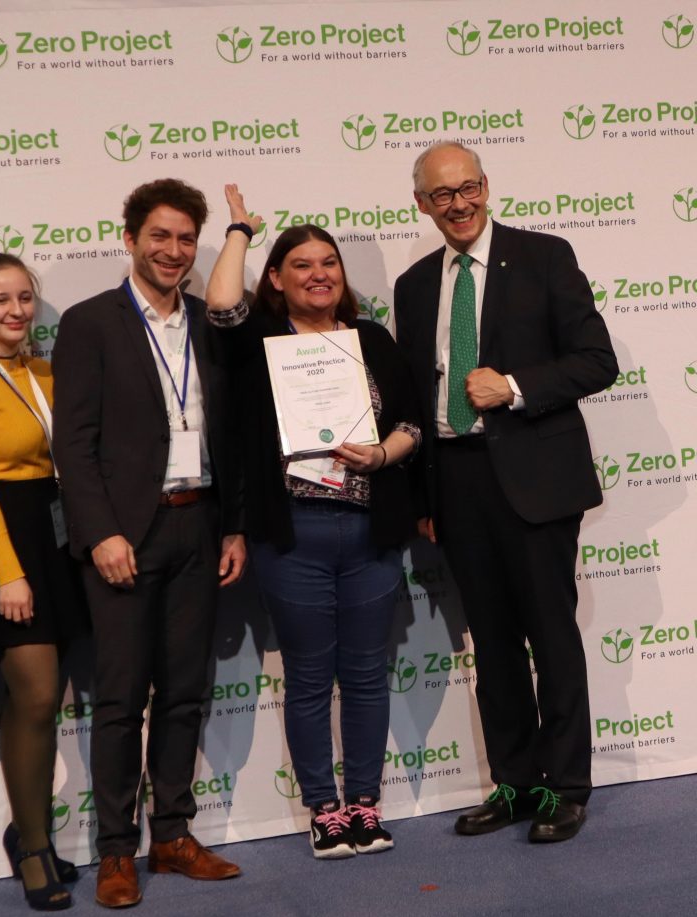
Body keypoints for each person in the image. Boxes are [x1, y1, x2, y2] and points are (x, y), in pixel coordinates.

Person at [393, 141, 618, 843]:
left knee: (551, 638)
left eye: (468, 189)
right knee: (491, 646)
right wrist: (424, 498)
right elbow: (413, 393)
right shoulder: (414, 284)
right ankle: (516, 783)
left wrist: (514, 388)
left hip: (535, 479)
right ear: (421, 204)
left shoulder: (544, 256)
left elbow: (596, 360)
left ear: (486, 188)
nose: (458, 204)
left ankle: (566, 787)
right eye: (442, 195)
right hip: (454, 481)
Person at [205, 185, 420, 858]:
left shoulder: (373, 339)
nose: (319, 273)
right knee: (307, 676)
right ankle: (323, 809)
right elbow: (218, 304)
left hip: (369, 530)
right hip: (291, 533)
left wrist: (383, 452)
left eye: (329, 262)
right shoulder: (259, 341)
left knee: (364, 675)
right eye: (301, 263)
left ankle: (365, 803)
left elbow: (413, 423)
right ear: (275, 278)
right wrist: (238, 228)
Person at [52, 178, 246, 909]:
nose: (173, 251)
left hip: (201, 525)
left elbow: (229, 430)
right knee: (120, 700)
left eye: (186, 239)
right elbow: (73, 441)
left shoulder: (210, 322)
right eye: (159, 237)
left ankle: (171, 835)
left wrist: (233, 525)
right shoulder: (89, 322)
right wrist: (99, 530)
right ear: (130, 238)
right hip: (126, 535)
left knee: (186, 691)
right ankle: (114, 852)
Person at [0, 253, 86, 911]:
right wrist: (9, 573)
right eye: (0, 299)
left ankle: (35, 834)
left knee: (49, 700)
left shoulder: (45, 372)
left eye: (25, 299)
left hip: (56, 538)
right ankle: (30, 848)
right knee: (32, 699)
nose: (15, 311)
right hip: (10, 545)